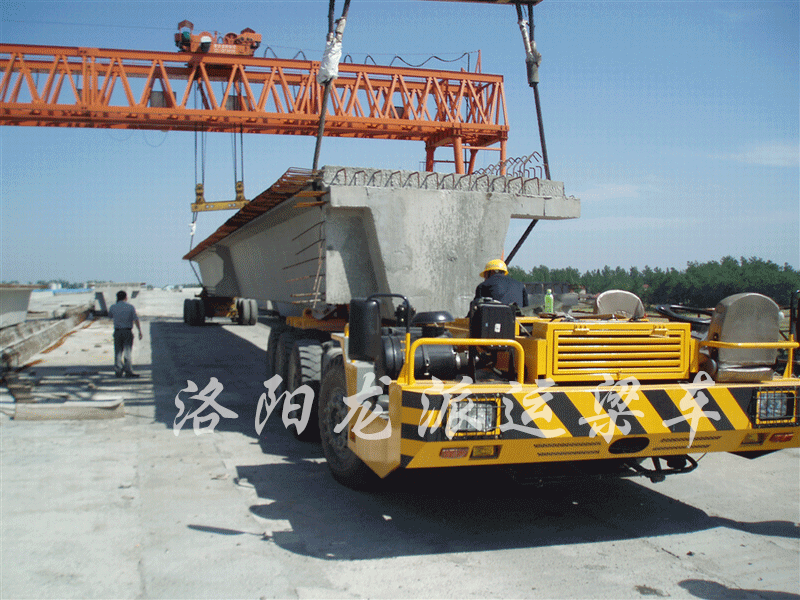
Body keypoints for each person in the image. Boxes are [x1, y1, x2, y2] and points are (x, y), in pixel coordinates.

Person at [108, 290, 142, 378]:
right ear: (126, 298)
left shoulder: (113, 307)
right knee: (127, 352)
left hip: (117, 331)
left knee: (118, 352)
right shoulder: (130, 307)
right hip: (127, 331)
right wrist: (139, 331)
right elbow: (135, 319)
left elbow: (110, 316)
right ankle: (128, 371)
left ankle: (118, 371)